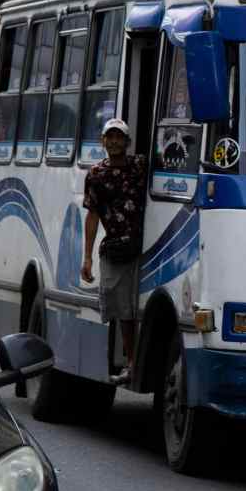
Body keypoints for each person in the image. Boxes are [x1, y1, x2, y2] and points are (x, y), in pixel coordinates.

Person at [81, 118, 148, 385]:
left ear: (128, 142)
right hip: (115, 248)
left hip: (142, 246)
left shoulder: (139, 166)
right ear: (103, 141)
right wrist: (87, 257)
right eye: (110, 137)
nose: (114, 141)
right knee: (115, 303)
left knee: (131, 309)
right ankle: (125, 359)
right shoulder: (96, 174)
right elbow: (92, 215)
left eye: (119, 137)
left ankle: (132, 362)